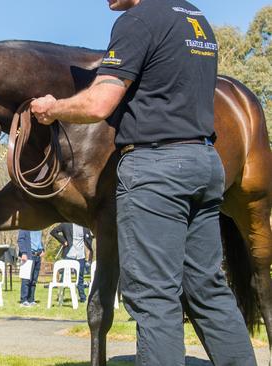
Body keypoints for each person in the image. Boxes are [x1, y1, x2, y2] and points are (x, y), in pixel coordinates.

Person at [30, 0, 256, 364]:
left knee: (153, 296)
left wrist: (52, 109)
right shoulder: (195, 18)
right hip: (203, 161)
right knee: (208, 289)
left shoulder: (137, 20)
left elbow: (100, 103)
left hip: (157, 169)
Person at [50, 223, 93, 303]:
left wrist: (90, 252)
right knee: (64, 278)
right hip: (69, 255)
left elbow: (89, 239)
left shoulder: (85, 226)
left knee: (80, 278)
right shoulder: (66, 224)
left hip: (80, 256)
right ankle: (60, 297)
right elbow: (53, 232)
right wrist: (63, 241)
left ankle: (83, 298)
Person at [17, 230, 44, 307]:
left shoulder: (39, 227)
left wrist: (42, 249)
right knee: (26, 279)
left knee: (34, 280)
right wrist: (24, 253)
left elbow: (39, 239)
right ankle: (24, 300)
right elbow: (20, 240)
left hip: (37, 256)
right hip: (28, 255)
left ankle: (31, 300)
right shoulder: (25, 226)